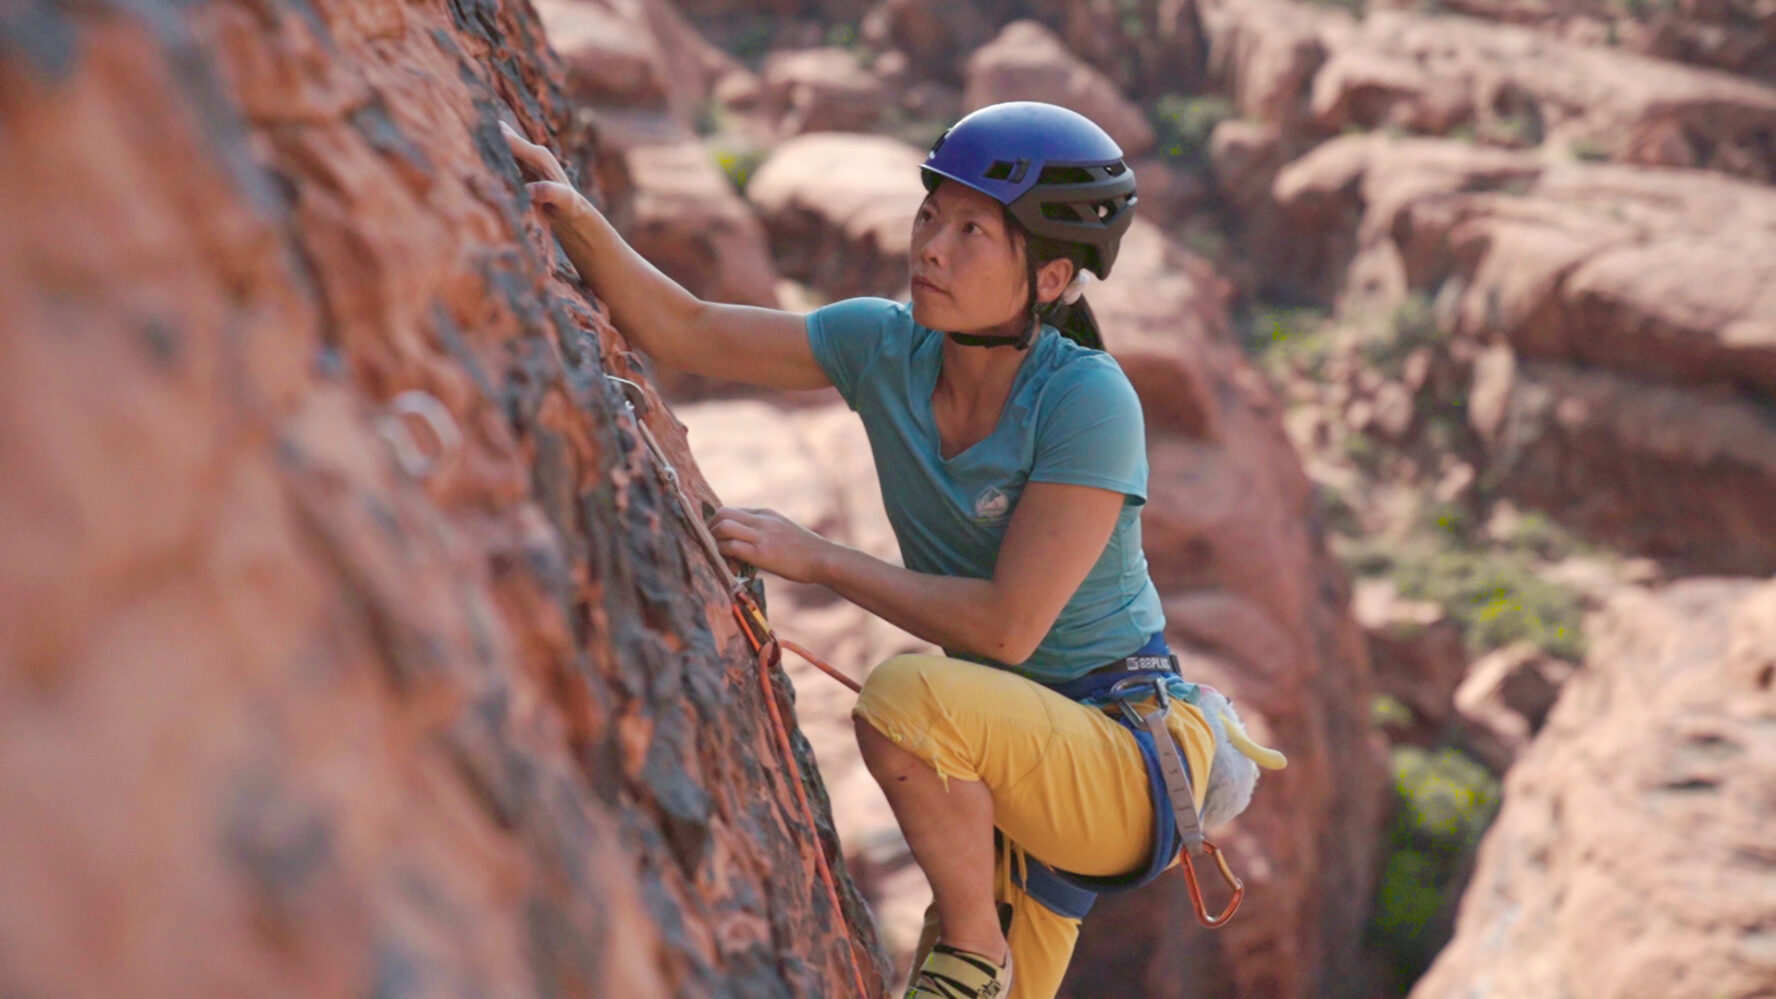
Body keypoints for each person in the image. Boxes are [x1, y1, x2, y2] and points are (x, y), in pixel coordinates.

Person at [503, 101, 1280, 999]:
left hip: (1119, 753)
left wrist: (821, 558)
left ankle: (976, 952)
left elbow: (1008, 627)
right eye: (929, 216)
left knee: (901, 698)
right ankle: (973, 954)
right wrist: (569, 211)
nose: (930, 248)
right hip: (1003, 753)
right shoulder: (884, 346)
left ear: (1052, 274)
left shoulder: (1085, 401)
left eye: (972, 231)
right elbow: (690, 329)